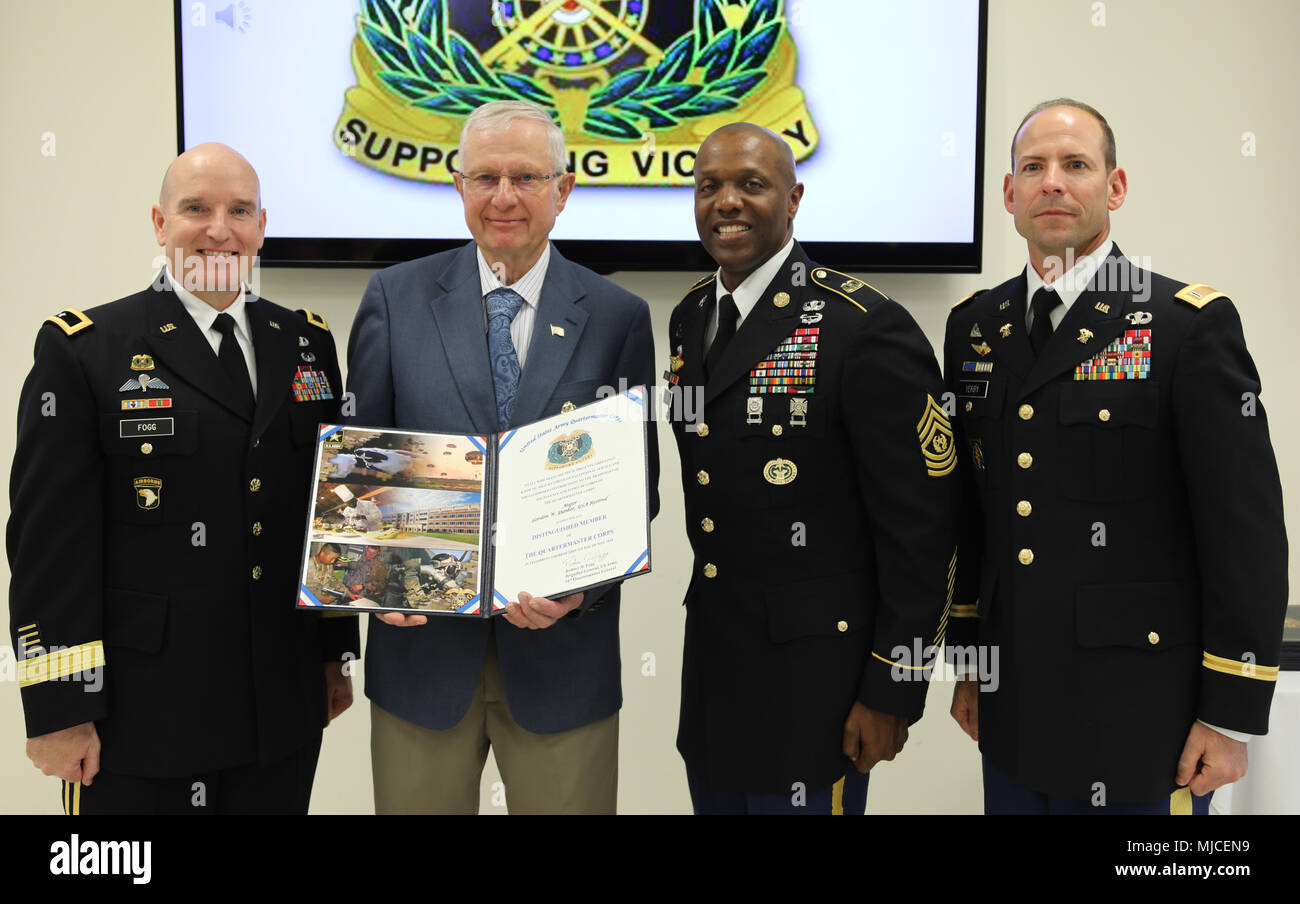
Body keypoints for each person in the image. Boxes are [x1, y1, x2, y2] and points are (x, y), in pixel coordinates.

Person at [944, 99, 1288, 814]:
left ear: (1116, 187)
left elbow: (1244, 532)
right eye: (1033, 168)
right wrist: (970, 662)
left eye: (1076, 165)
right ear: (1009, 194)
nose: (1052, 183)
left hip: (1141, 713)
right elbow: (974, 518)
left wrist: (1228, 714)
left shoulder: (1184, 326)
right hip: (1014, 707)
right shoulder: (975, 327)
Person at [7, 143, 358, 814]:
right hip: (141, 717)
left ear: (262, 226)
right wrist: (58, 707)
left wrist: (335, 653)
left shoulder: (305, 344)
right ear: (160, 224)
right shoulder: (87, 348)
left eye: (239, 210)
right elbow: (48, 546)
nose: (219, 228)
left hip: (278, 707)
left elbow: (327, 510)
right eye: (196, 208)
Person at [346, 100, 657, 814]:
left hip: (562, 664)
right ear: (459, 187)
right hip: (420, 660)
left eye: (526, 176)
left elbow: (638, 489)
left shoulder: (617, 316)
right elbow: (362, 465)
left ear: (564, 189)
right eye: (485, 177)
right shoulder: (394, 298)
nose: (505, 197)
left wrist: (582, 587)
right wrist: (373, 575)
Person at [667, 123, 958, 814]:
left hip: (817, 687)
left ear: (794, 198)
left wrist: (894, 686)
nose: (726, 202)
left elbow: (925, 528)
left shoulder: (860, 325)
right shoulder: (691, 318)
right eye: (709, 187)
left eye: (751, 184)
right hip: (715, 673)